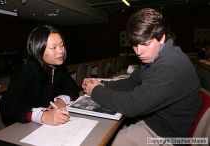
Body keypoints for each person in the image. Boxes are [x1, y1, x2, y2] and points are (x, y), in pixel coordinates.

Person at [82, 8, 201, 146]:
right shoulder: (154, 56)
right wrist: (101, 83)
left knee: (111, 140)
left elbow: (132, 106)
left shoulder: (171, 65)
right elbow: (131, 83)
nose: (139, 51)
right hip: (153, 121)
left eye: (145, 44)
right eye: (134, 44)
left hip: (165, 135)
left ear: (162, 37)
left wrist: (95, 91)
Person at [0, 25, 79, 126]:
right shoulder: (28, 68)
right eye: (53, 47)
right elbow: (7, 106)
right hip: (23, 126)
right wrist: (42, 116)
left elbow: (72, 87)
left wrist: (60, 101)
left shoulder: (57, 67)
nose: (60, 51)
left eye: (62, 45)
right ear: (38, 49)